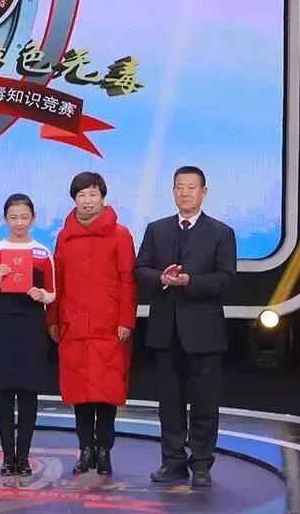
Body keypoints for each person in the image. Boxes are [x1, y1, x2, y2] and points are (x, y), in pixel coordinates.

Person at [135, 166, 236, 488]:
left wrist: (190, 281)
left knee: (205, 402)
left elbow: (226, 278)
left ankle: (202, 464)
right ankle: (172, 462)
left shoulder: (221, 232)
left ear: (204, 192)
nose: (185, 193)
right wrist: (162, 278)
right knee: (170, 403)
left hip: (204, 331)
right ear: (173, 191)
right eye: (180, 187)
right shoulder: (157, 229)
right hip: (165, 331)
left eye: (191, 187)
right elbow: (140, 270)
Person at [46, 172, 136, 476]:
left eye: (92, 194)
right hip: (73, 325)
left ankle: (104, 450)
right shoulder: (64, 236)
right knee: (79, 392)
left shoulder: (120, 234)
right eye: (81, 195)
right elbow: (57, 279)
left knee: (107, 391)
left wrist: (126, 320)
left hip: (108, 326)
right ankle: (85, 449)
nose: (87, 201)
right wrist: (53, 318)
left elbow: (128, 281)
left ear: (102, 197)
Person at [0, 194, 55, 476]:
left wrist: (41, 294)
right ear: (5, 219)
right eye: (13, 217)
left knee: (28, 391)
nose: (19, 223)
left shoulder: (42, 252)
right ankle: (6, 456)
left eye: (24, 217)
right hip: (2, 324)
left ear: (33, 218)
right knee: (3, 390)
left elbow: (53, 293)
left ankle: (23, 456)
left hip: (31, 324)